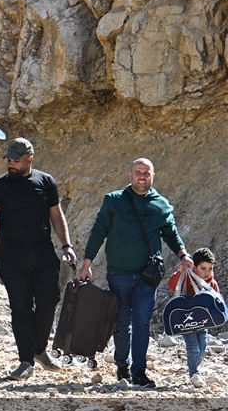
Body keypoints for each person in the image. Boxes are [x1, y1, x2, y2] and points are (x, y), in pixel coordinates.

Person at [79, 158, 192, 388]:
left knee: (141, 322)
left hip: (147, 276)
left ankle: (139, 371)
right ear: (130, 175)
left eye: (146, 172)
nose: (142, 176)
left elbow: (171, 233)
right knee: (122, 322)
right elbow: (99, 230)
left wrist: (183, 255)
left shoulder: (160, 205)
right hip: (118, 273)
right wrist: (87, 262)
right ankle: (122, 365)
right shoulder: (114, 201)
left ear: (153, 176)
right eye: (138, 172)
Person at [0, 138, 76, 380]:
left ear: (29, 160)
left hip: (43, 252)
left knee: (48, 302)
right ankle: (26, 361)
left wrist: (66, 245)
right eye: (9, 160)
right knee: (21, 307)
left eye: (16, 160)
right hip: (10, 255)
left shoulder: (45, 182)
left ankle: (39, 350)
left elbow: (56, 216)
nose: (11, 164)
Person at [166, 248, 219, 388]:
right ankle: (194, 373)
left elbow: (216, 299)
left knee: (203, 348)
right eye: (203, 269)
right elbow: (171, 285)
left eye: (210, 269)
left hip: (203, 322)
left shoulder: (211, 283)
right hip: (186, 320)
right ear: (194, 267)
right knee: (193, 347)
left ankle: (193, 367)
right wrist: (180, 272)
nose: (207, 273)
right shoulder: (186, 277)